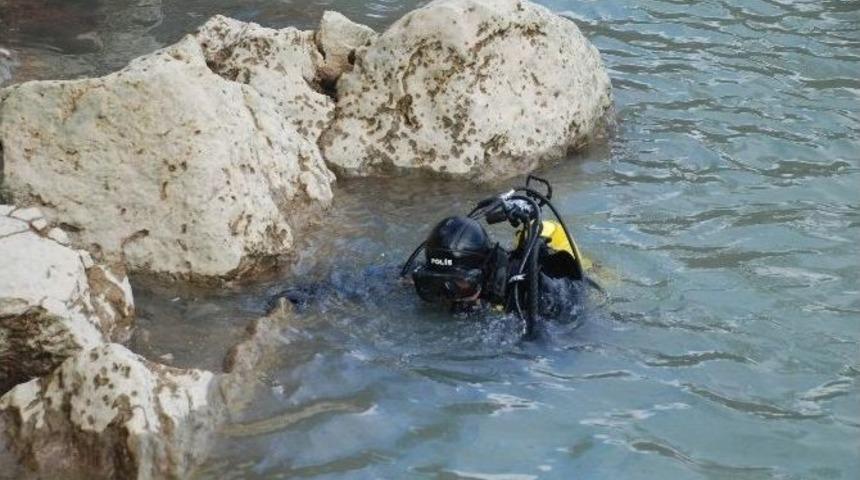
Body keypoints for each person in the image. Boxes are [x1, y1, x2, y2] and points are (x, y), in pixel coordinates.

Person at [402, 176, 596, 339]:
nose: (449, 297)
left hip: (569, 269)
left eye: (460, 285)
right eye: (433, 285)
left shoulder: (528, 292)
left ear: (483, 272)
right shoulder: (443, 274)